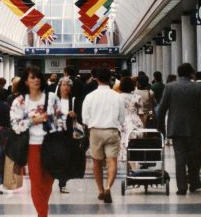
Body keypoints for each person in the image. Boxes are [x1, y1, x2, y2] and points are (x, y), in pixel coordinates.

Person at [10, 66, 66, 217]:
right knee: (36, 182)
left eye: (38, 77)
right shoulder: (20, 101)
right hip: (32, 145)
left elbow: (60, 121)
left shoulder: (51, 98)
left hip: (51, 145)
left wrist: (46, 120)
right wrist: (32, 121)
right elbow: (15, 125)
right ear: (26, 81)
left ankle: (43, 208)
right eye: (32, 77)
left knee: (48, 181)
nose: (36, 80)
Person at [159, 62, 201, 195]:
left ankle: (181, 187)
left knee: (179, 158)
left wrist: (160, 128)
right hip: (195, 129)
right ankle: (194, 182)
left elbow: (162, 109)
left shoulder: (170, 87)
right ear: (191, 73)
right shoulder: (198, 88)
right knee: (194, 157)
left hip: (176, 128)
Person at [82, 68, 125, 204]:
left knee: (97, 162)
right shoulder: (117, 96)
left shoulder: (90, 96)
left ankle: (100, 190)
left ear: (96, 79)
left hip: (95, 131)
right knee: (112, 161)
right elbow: (122, 119)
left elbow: (85, 119)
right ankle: (108, 187)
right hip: (112, 130)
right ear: (110, 79)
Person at [54, 76, 77, 193]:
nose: (65, 87)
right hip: (55, 132)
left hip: (67, 133)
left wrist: (75, 115)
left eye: (68, 85)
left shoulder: (73, 100)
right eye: (63, 85)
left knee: (65, 158)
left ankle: (62, 183)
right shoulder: (53, 100)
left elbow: (81, 117)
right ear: (59, 86)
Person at [118, 76, 143, 165]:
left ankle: (127, 161)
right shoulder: (137, 97)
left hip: (123, 121)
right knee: (135, 143)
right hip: (135, 120)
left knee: (124, 142)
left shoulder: (117, 97)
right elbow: (141, 112)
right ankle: (135, 161)